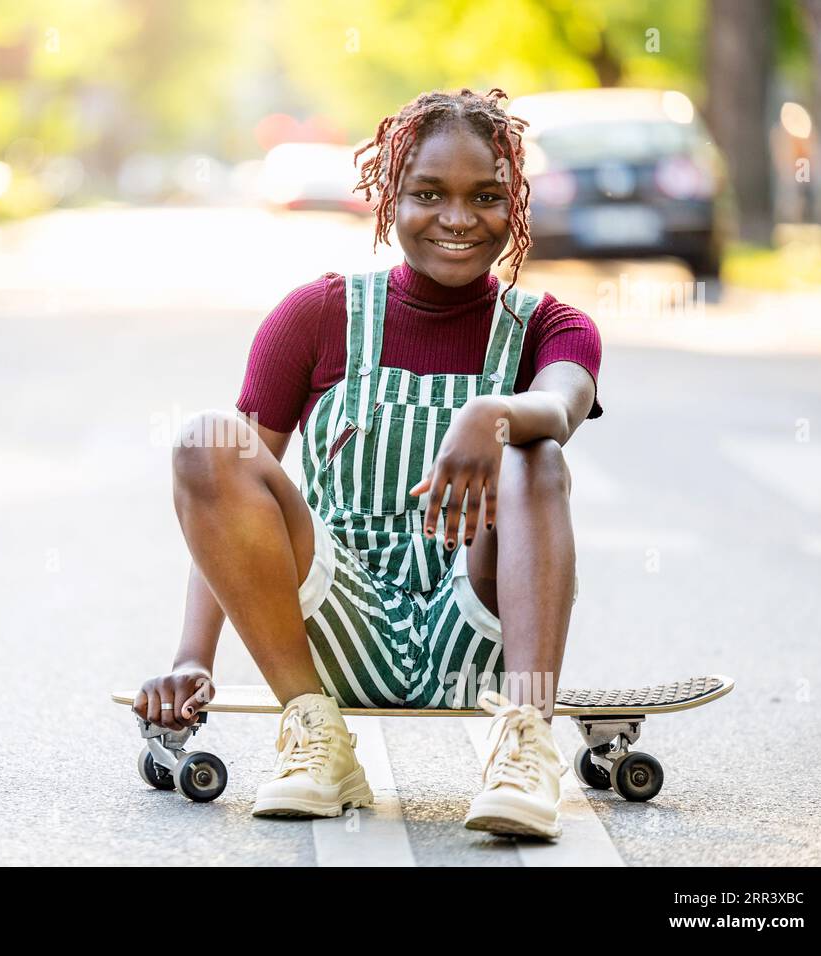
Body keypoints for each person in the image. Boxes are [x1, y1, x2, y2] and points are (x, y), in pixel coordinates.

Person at [134, 87, 603, 840]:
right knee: (205, 440)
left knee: (536, 455)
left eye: (486, 196)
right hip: (331, 625)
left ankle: (526, 743)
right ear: (389, 198)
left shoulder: (550, 325)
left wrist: (496, 413)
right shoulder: (317, 315)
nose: (458, 218)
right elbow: (224, 492)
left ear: (515, 200)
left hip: (479, 638)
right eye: (429, 194)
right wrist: (193, 656)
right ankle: (316, 735)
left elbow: (564, 404)